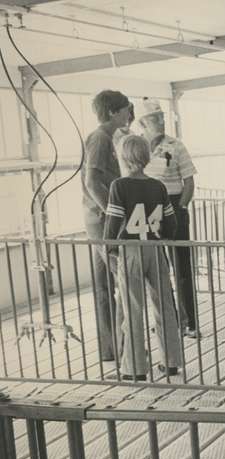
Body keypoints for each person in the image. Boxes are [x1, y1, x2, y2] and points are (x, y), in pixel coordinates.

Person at [104, 135, 183, 380]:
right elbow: (172, 224)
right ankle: (171, 362)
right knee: (165, 306)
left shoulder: (119, 186)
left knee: (133, 309)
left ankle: (135, 368)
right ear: (147, 157)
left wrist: (110, 249)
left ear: (124, 158)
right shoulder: (158, 186)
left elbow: (112, 225)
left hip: (131, 249)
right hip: (155, 248)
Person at [137, 98, 200, 338]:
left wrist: (181, 208)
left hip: (173, 206)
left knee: (181, 267)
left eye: (162, 117)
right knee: (155, 270)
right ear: (143, 122)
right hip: (147, 210)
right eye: (154, 118)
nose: (160, 121)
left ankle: (190, 322)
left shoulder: (176, 146)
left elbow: (189, 181)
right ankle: (168, 320)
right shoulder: (137, 147)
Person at [82, 89, 131, 363]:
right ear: (113, 111)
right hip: (102, 221)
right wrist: (112, 215)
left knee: (103, 284)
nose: (127, 114)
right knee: (122, 279)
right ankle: (127, 347)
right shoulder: (100, 138)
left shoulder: (105, 138)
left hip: (95, 219)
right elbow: (92, 182)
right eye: (125, 109)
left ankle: (110, 347)